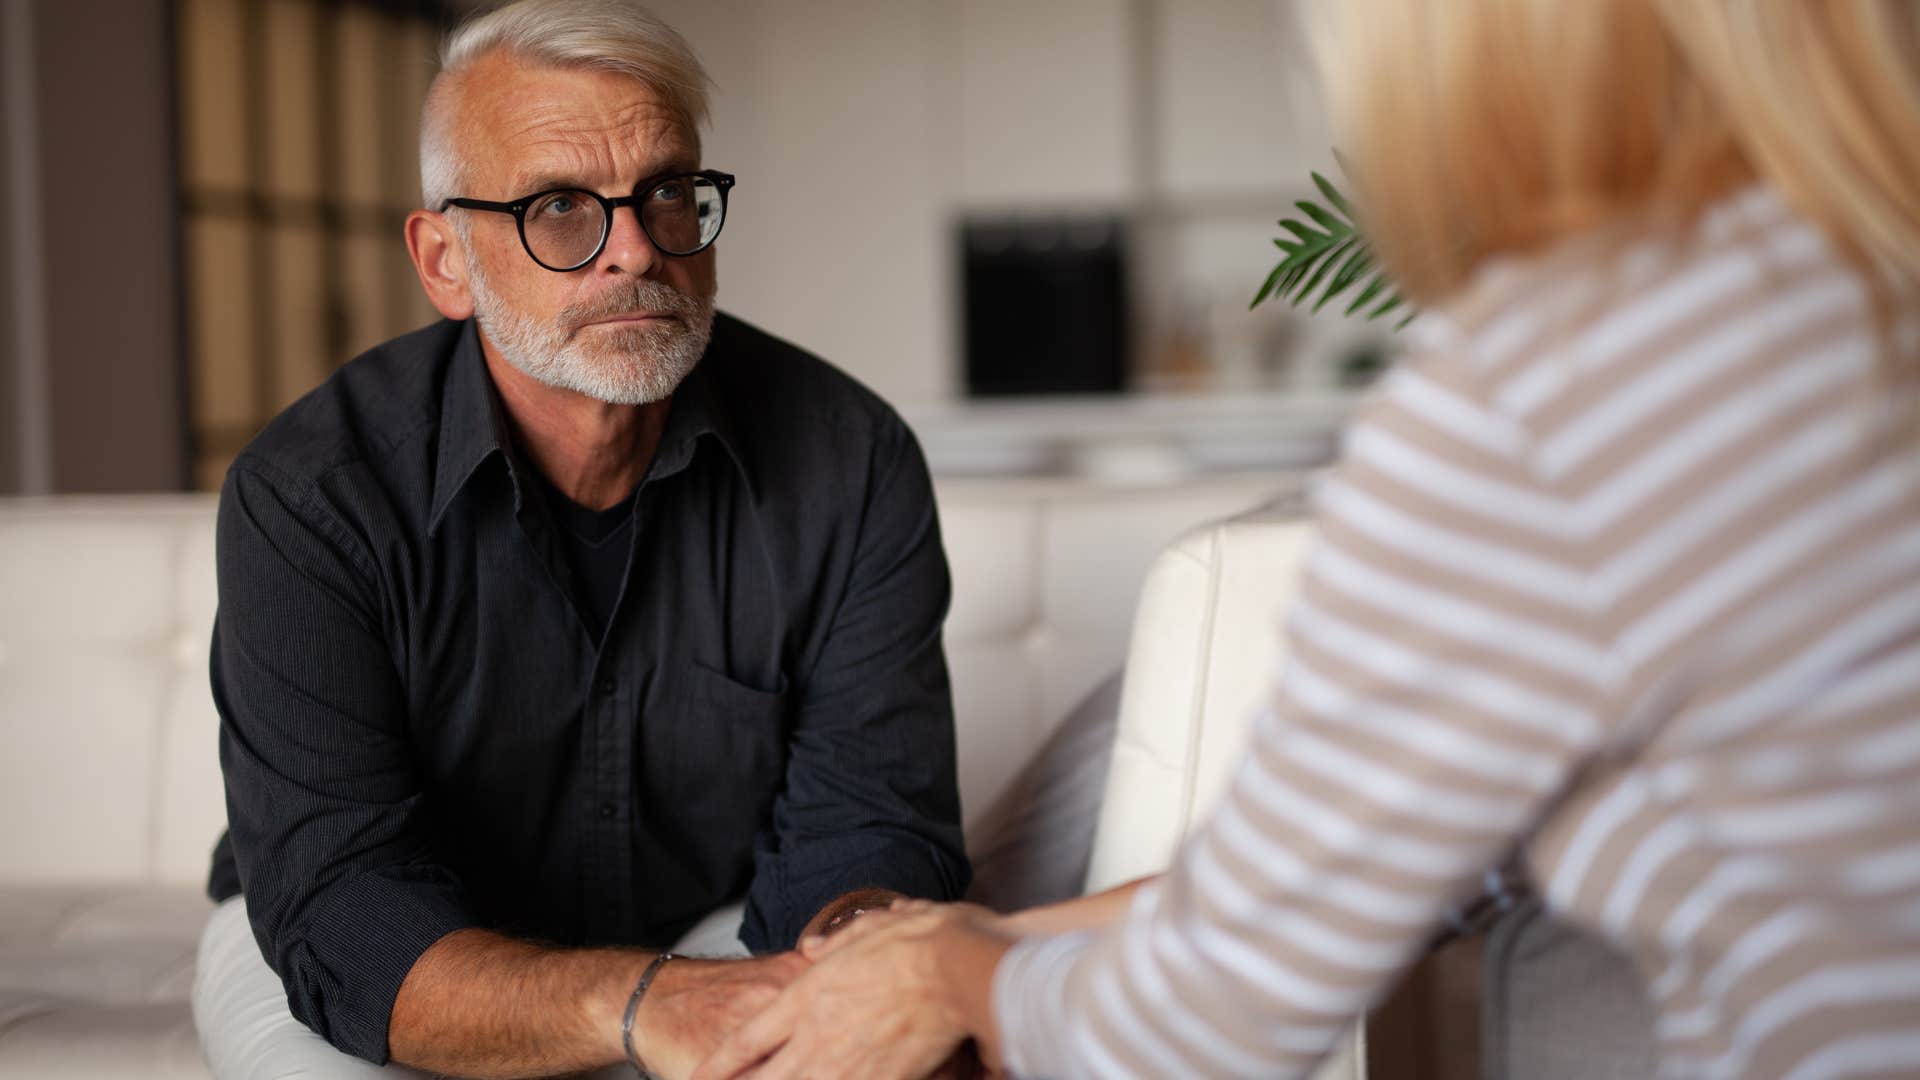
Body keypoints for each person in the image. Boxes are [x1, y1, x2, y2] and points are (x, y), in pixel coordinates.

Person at [697, 1, 1920, 1077]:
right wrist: (991, 941)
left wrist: (952, 982)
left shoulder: (1562, 385)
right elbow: (1446, 860)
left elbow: (1208, 1025)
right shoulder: (1860, 299)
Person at [188, 2, 970, 1077]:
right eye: (560, 207)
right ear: (444, 259)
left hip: (708, 920)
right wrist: (637, 1002)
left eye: (666, 192)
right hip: (390, 949)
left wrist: (859, 967)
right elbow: (345, 912)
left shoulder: (851, 460)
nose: (638, 251)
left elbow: (866, 824)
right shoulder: (312, 496)